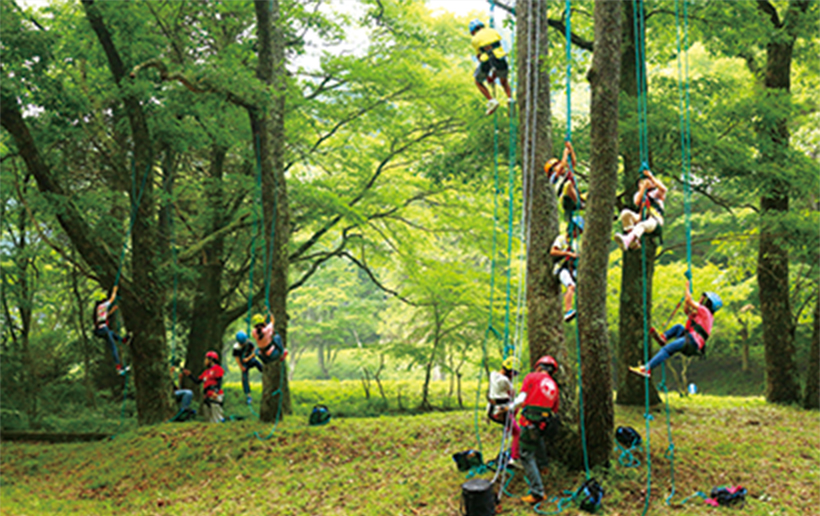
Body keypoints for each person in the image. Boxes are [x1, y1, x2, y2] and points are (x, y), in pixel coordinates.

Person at [629, 283, 722, 378]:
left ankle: (646, 369)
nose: (702, 301)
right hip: (691, 341)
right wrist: (688, 298)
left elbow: (689, 301)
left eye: (705, 300)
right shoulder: (704, 316)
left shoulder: (705, 312)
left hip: (691, 341)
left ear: (708, 304)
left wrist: (687, 287)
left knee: (666, 350)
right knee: (679, 327)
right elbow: (687, 310)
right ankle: (664, 337)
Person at [511, 355, 561, 505]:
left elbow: (521, 399)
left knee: (526, 455)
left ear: (539, 367)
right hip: (543, 424)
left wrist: (509, 408)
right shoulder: (554, 386)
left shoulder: (531, 377)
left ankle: (537, 492)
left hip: (529, 422)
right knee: (538, 440)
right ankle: (544, 466)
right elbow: (554, 410)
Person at [613, 168, 667, 251]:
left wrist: (650, 176)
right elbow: (638, 201)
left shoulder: (656, 194)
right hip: (642, 217)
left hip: (655, 221)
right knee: (625, 213)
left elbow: (663, 189)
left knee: (641, 225)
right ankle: (633, 241)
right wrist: (643, 187)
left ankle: (628, 240)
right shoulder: (638, 195)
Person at [469, 19, 513, 116]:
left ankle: (491, 100)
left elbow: (479, 57)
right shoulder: (493, 31)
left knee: (478, 81)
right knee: (504, 81)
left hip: (486, 60)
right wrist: (493, 76)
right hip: (500, 57)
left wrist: (488, 76)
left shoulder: (475, 39)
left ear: (473, 31)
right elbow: (498, 49)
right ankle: (510, 98)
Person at [486, 356, 521, 469]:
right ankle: (514, 458)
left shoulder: (493, 375)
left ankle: (508, 428)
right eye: (513, 374)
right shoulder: (505, 381)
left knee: (515, 408)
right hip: (501, 412)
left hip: (492, 409)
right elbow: (512, 394)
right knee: (518, 433)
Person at [551, 216, 584, 322]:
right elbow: (553, 251)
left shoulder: (575, 244)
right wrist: (567, 253)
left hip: (571, 269)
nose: (576, 234)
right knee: (571, 286)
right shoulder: (561, 239)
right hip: (561, 268)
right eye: (575, 231)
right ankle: (568, 310)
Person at [92, 285, 129, 375]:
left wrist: (112, 310)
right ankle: (118, 367)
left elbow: (105, 316)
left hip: (102, 329)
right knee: (113, 347)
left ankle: (122, 340)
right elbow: (112, 299)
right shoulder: (102, 306)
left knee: (112, 333)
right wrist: (114, 290)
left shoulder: (99, 308)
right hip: (103, 329)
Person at [544, 141, 584, 219]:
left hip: (575, 196)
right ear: (551, 172)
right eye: (555, 166)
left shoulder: (566, 173)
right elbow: (562, 166)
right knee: (568, 184)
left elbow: (573, 162)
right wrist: (565, 153)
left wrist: (570, 149)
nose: (558, 166)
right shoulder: (553, 177)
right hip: (565, 199)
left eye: (558, 163)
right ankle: (578, 204)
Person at [183, 350, 224, 423]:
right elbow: (197, 381)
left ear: (211, 360)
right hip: (207, 396)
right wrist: (189, 375)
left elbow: (219, 381)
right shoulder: (206, 372)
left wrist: (216, 392)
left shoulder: (217, 368)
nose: (205, 361)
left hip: (214, 394)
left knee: (216, 416)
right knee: (208, 416)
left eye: (206, 359)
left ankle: (220, 425)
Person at [233, 330, 263, 404]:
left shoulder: (249, 343)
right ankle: (248, 396)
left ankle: (264, 372)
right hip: (243, 364)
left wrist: (248, 358)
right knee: (244, 378)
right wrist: (241, 367)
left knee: (256, 363)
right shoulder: (236, 348)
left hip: (250, 360)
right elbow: (237, 358)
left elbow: (254, 352)